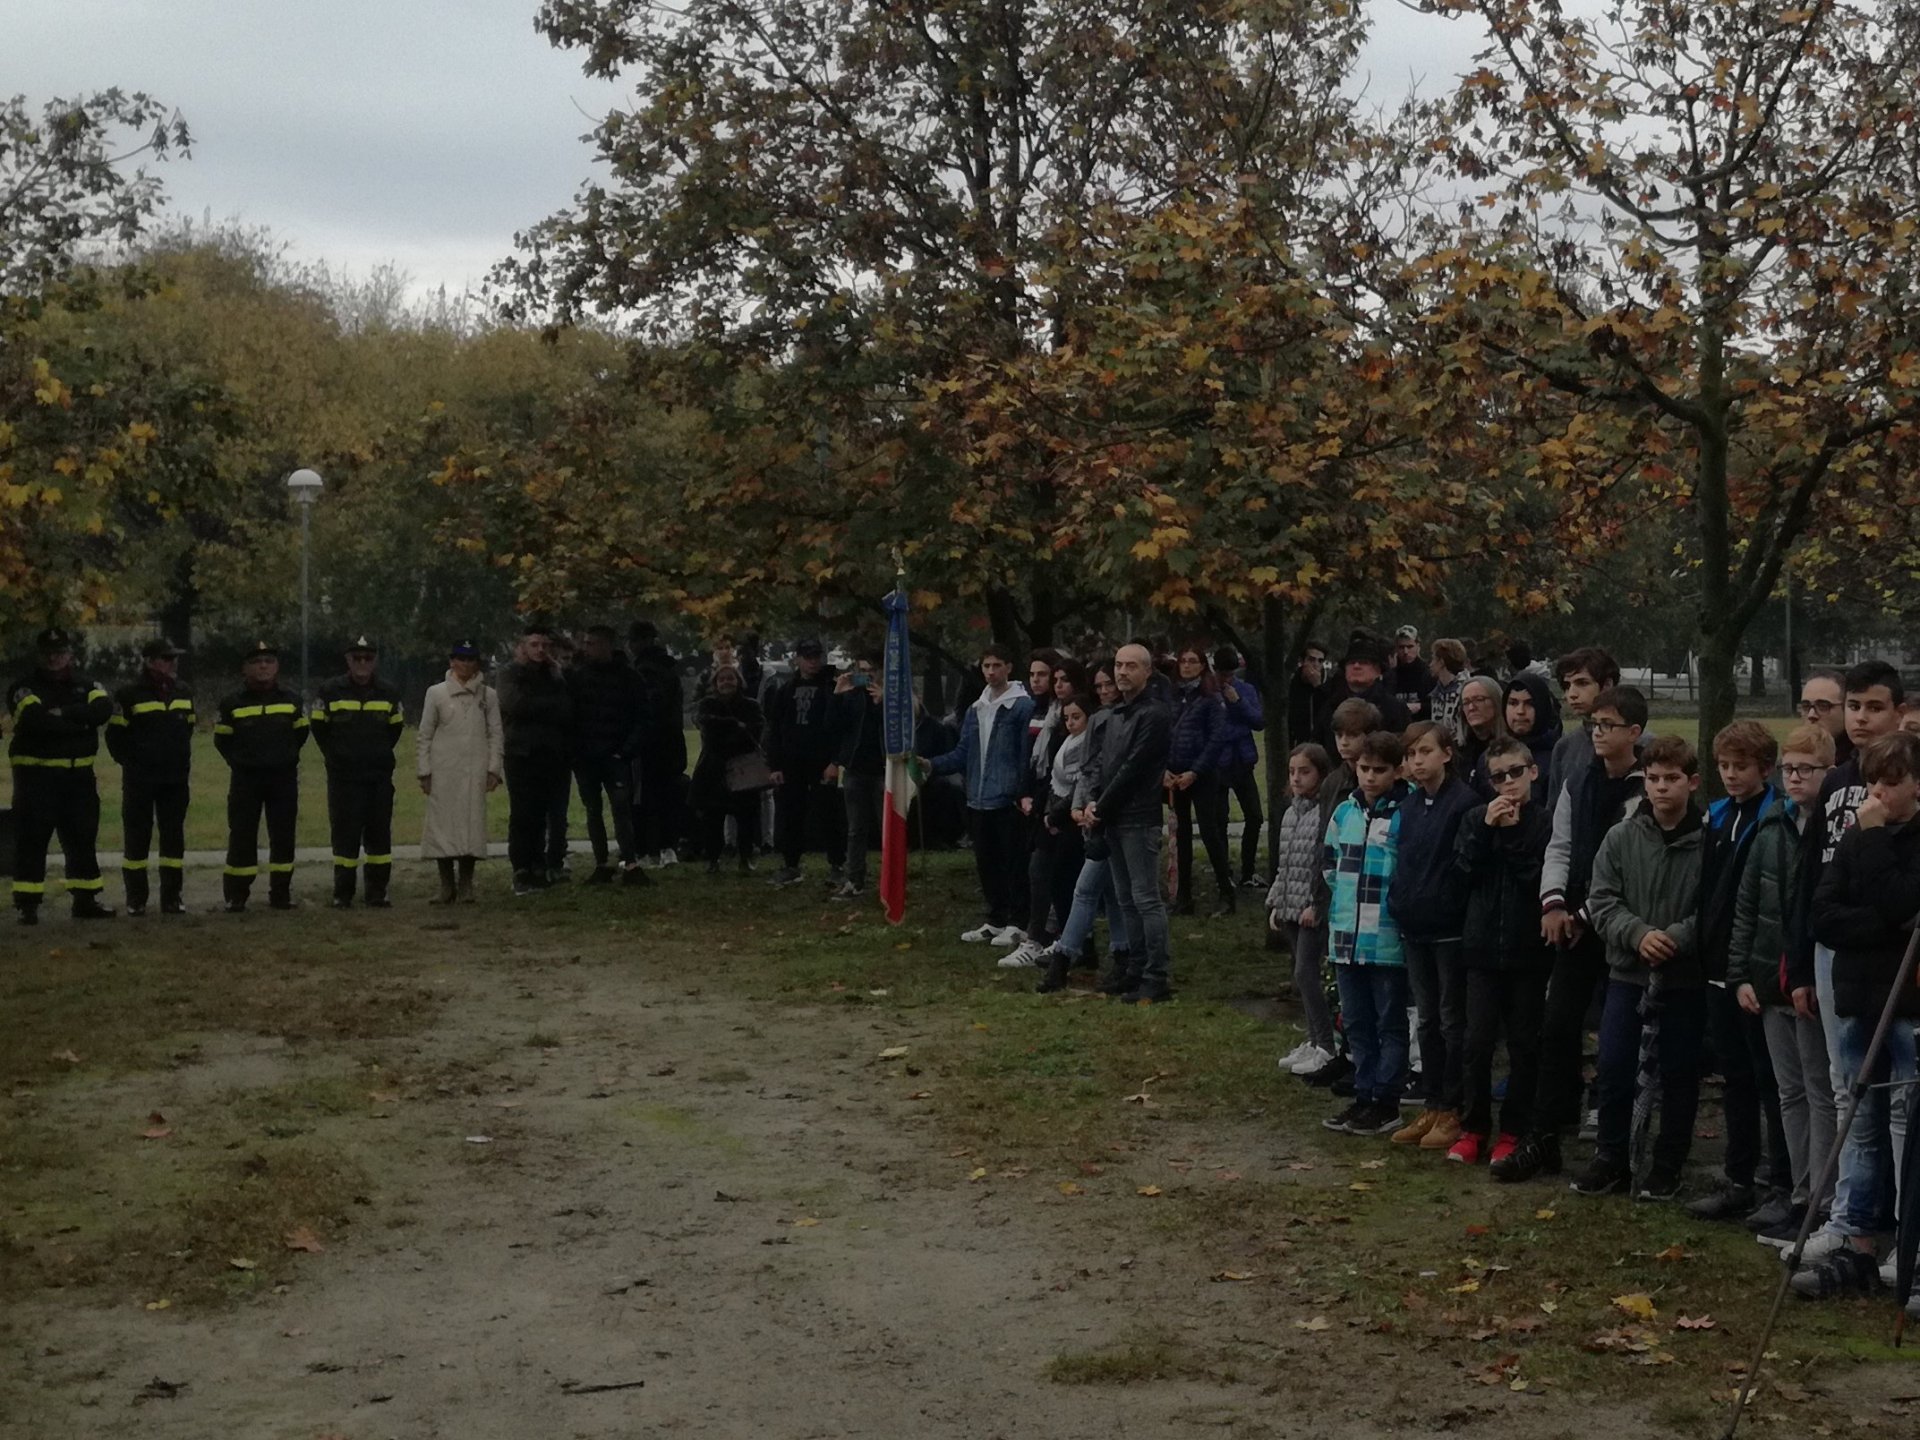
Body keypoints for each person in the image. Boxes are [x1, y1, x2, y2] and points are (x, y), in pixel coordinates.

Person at [1493, 685, 1648, 1183]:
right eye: (1594, 725)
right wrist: (1554, 904)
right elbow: (1561, 844)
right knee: (1555, 1027)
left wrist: (1580, 914)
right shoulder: (1579, 778)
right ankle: (1544, 1136)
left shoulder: (1645, 787)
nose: (1598, 734)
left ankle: (1614, 1148)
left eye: (1609, 725)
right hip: (1575, 923)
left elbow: (1619, 868)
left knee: (1618, 1040)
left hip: (1620, 926)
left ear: (1634, 732)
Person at [1796, 730, 1920, 1300]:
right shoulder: (1854, 838)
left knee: (1904, 1115)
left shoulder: (1889, 837)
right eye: (1872, 781)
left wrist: (1872, 850)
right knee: (1860, 1116)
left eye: (1891, 783)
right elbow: (1825, 914)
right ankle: (1857, 1235)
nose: (1878, 793)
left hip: (1905, 1002)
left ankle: (1907, 1237)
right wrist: (1883, 930)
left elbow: (1905, 902)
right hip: (1856, 997)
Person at [1787, 659, 1905, 1251]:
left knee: (1898, 1096)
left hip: (1894, 965)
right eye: (1853, 707)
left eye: (1874, 707)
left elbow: (1901, 902)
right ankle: (1846, 1216)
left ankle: (1889, 1223)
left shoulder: (1907, 787)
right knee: (1846, 1086)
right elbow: (1816, 886)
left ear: (1899, 713)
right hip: (1836, 953)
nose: (1860, 718)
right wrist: (1802, 959)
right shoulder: (1834, 782)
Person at [1570, 735, 1707, 1201]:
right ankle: (1611, 1157)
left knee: (1680, 1070)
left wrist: (1678, 937)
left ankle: (1667, 1164)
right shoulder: (1621, 837)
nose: (1662, 788)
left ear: (1692, 782)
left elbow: (1715, 905)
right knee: (1614, 1065)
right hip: (1628, 974)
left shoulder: (1709, 841)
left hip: (1684, 977)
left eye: (1672, 779)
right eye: (1653, 779)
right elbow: (1601, 899)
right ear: (1643, 783)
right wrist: (1638, 934)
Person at [1734, 723, 1836, 1249]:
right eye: (1789, 769)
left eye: (1806, 770)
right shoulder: (1771, 823)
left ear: (1828, 772)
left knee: (1820, 1092)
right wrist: (1741, 976)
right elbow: (1746, 905)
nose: (1794, 778)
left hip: (1809, 982)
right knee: (1788, 1091)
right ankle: (1798, 1194)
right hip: (1767, 981)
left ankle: (1822, 1199)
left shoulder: (1830, 829)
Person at [1686, 721, 1792, 1221]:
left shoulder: (1775, 818)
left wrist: (1748, 967)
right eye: (1724, 766)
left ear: (1765, 770)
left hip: (1753, 969)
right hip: (1714, 965)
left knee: (1768, 1078)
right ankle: (1738, 1178)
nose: (1730, 775)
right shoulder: (1717, 813)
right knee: (1734, 1077)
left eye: (1741, 767)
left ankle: (1782, 1182)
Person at [1453, 737, 1555, 1167]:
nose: (1509, 782)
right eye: (1499, 776)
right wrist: (1487, 830)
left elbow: (1536, 878)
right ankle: (1473, 1126)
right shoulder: (1475, 818)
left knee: (1523, 1044)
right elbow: (1462, 872)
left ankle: (1514, 1128)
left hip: (1527, 952)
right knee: (1476, 1043)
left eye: (1516, 772)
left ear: (1532, 772)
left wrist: (1511, 835)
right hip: (1481, 952)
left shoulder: (1545, 822)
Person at [1388, 721, 1479, 1153]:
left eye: (1425, 751)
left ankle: (1453, 1108)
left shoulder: (1463, 803)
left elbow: (1464, 866)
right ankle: (1432, 1100)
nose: (1417, 761)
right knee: (1425, 1018)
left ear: (1446, 753)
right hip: (1414, 926)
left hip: (1447, 929)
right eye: (1410, 755)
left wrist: (1446, 903)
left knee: (1450, 1018)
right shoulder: (1407, 807)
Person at [1321, 730, 1411, 1135]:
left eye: (1380, 770)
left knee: (1388, 1020)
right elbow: (1329, 862)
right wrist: (1342, 903)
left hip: (1387, 939)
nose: (1371, 777)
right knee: (1355, 1021)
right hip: (1346, 937)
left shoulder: (1405, 814)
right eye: (1364, 769)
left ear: (1397, 770)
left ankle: (1386, 1098)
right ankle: (1362, 1093)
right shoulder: (1345, 812)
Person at [1082, 642, 1174, 1002]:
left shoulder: (1154, 714)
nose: (1121, 672)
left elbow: (1133, 768)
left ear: (1147, 672)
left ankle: (1156, 973)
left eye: (1131, 666)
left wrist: (1100, 808)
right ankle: (1135, 968)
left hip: (1137, 816)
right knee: (1124, 898)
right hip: (1113, 815)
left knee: (1145, 897)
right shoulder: (1116, 713)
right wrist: (1094, 804)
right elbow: (1104, 765)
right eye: (1118, 665)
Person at [926, 644, 1034, 943]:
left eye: (996, 665)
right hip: (978, 796)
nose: (991, 672)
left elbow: (1024, 753)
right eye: (986, 666)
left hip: (1007, 797)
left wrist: (1020, 790)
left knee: (1013, 860)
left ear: (1008, 667)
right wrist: (931, 765)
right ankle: (996, 917)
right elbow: (964, 752)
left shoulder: (1021, 706)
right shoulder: (977, 707)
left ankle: (1018, 918)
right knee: (987, 861)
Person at [6, 628, 115, 924]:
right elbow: (34, 720)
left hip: (78, 778)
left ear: (70, 655)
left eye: (60, 653)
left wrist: (62, 714)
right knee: (32, 840)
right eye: (48, 654)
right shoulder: (23, 687)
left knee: (82, 838)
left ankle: (85, 899)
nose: (54, 659)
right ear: (40, 657)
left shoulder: (87, 683)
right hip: (36, 778)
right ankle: (27, 905)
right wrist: (79, 721)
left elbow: (103, 710)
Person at [214, 640, 309, 913]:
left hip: (283, 779)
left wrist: (283, 757)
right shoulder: (232, 703)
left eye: (269, 661)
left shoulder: (291, 700)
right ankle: (237, 894)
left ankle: (280, 893)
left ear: (277, 667)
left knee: (283, 836)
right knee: (242, 836)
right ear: (245, 668)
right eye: (257, 662)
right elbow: (222, 741)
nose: (263, 666)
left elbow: (300, 733)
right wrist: (243, 763)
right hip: (246, 780)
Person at [311, 635, 405, 909]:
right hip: (344, 778)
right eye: (357, 658)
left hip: (378, 778)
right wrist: (338, 756)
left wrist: (374, 755)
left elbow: (394, 730)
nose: (362, 663)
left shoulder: (388, 692)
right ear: (347, 660)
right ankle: (343, 892)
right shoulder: (330, 691)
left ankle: (377, 891)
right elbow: (319, 729)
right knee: (345, 836)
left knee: (379, 836)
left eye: (368, 658)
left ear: (374, 661)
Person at [1004, 693, 1094, 969]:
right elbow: (1054, 780)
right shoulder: (1065, 741)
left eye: (1076, 717)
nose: (1070, 723)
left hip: (1071, 819)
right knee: (1041, 873)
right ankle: (1042, 937)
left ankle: (1069, 940)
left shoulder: (1088, 746)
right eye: (1066, 718)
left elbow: (1082, 783)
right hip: (1052, 814)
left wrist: (1057, 814)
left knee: (1066, 882)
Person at [108, 636, 194, 916]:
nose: (173, 663)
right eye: (166, 658)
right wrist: (133, 763)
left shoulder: (183, 691)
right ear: (149, 661)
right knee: (137, 838)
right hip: (140, 779)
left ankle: (172, 897)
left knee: (173, 838)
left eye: (174, 658)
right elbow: (115, 736)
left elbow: (188, 729)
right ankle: (136, 898)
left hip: (175, 779)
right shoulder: (129, 694)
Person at [417, 640, 503, 904]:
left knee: (470, 828)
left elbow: (495, 734)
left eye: (471, 660)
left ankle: (466, 885)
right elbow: (425, 735)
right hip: (444, 771)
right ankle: (446, 886)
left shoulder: (488, 696)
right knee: (443, 827)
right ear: (452, 662)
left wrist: (493, 768)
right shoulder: (436, 693)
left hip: (474, 771)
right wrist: (424, 770)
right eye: (461, 659)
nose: (466, 665)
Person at [1270, 742, 1337, 1076]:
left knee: (1306, 972)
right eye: (1292, 771)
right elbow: (1285, 863)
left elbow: (1320, 864)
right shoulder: (1290, 812)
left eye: (1305, 771)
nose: (1296, 778)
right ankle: (1314, 1040)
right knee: (1300, 971)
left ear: (1321, 774)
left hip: (1311, 907)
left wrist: (1315, 903)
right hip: (1290, 905)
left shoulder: (1323, 814)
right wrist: (1276, 900)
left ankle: (1326, 1043)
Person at [567, 625, 649, 885]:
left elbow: (642, 717)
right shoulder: (579, 679)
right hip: (587, 757)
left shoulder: (629, 678)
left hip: (615, 755)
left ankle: (630, 861)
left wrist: (625, 751)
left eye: (591, 643)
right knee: (594, 810)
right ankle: (601, 862)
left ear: (606, 645)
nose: (586, 648)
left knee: (621, 809)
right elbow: (572, 717)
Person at [497, 626, 575, 896]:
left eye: (544, 645)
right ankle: (521, 868)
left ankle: (540, 865)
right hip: (521, 753)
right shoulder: (510, 674)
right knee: (523, 814)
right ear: (522, 647)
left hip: (552, 753)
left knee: (545, 813)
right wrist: (546, 706)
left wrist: (540, 706)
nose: (540, 650)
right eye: (534, 645)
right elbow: (514, 705)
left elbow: (567, 708)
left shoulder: (555, 676)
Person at [763, 638, 846, 888]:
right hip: (791, 762)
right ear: (797, 659)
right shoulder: (785, 691)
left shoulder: (832, 688)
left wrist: (835, 761)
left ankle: (837, 865)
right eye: (807, 657)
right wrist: (775, 765)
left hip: (821, 761)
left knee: (828, 813)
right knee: (790, 814)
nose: (812, 662)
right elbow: (775, 729)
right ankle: (791, 865)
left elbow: (839, 728)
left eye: (816, 657)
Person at [1167, 644, 1234, 917]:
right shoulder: (1173, 696)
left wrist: (1195, 771)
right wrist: (1166, 769)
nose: (1187, 666)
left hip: (1203, 774)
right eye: (1183, 661)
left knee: (1209, 832)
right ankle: (1183, 897)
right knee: (1180, 835)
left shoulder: (1211, 697)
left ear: (1202, 666)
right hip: (1175, 774)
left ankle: (1226, 892)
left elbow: (1217, 738)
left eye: (1192, 661)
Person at [692, 664, 767, 874]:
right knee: (712, 818)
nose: (726, 682)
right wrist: (735, 725)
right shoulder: (707, 704)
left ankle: (745, 858)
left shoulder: (751, 705)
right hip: (713, 768)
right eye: (722, 679)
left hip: (743, 767)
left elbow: (756, 729)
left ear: (738, 681)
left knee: (746, 817)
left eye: (730, 678)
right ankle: (713, 859)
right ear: (715, 683)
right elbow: (707, 727)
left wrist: (727, 730)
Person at [627, 620, 689, 867]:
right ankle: (668, 847)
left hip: (648, 744)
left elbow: (648, 709)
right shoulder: (670, 670)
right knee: (669, 796)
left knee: (642, 798)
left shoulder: (643, 670)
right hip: (672, 741)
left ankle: (646, 850)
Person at [830, 650, 885, 901]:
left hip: (883, 770)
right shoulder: (851, 697)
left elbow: (907, 722)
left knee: (888, 827)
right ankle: (854, 879)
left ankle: (891, 882)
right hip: (855, 769)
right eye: (861, 671)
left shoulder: (888, 697)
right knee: (855, 829)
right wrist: (838, 696)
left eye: (870, 671)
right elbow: (831, 727)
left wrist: (883, 702)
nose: (866, 676)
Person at [1212, 646, 1266, 890]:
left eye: (1231, 674)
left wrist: (1238, 702)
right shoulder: (1210, 693)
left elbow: (1258, 721)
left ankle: (1248, 870)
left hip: (1242, 760)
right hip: (1219, 762)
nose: (1227, 680)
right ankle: (1224, 874)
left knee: (1254, 816)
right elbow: (1214, 729)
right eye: (1223, 675)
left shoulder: (1246, 690)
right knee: (1219, 819)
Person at [1547, 647, 1622, 809]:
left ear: (1607, 685)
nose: (1572, 694)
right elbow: (1554, 813)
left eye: (1582, 683)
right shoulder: (1564, 747)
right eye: (1567, 686)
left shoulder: (1642, 743)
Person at [1482, 671, 1561, 801]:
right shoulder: (1490, 757)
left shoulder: (1558, 757)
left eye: (1529, 703)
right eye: (1513, 703)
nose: (1520, 711)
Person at [1455, 676, 1506, 781]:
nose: (1471, 708)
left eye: (1479, 700)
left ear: (1496, 702)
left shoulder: (1513, 748)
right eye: (1466, 702)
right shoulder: (1457, 753)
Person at [1798, 669, 1851, 769]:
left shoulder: (1862, 766)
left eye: (1823, 706)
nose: (1811, 714)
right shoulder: (1788, 764)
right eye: (1806, 706)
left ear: (1846, 709)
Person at [1288, 640, 1332, 751]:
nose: (1316, 664)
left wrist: (1318, 687)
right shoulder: (1291, 685)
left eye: (1320, 661)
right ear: (1302, 661)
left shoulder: (1329, 685)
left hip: (1323, 747)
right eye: (1311, 659)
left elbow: (1329, 713)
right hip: (1298, 745)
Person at [1427, 638, 1469, 745]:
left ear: (1441, 662)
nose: (1430, 664)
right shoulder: (1436, 693)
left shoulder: (1466, 690)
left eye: (1433, 659)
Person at [1391, 625, 1434, 721]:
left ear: (1418, 647)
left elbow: (1437, 705)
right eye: (1401, 647)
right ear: (1396, 649)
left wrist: (1420, 706)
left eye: (1410, 647)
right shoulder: (1390, 676)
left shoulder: (1429, 674)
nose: (1406, 651)